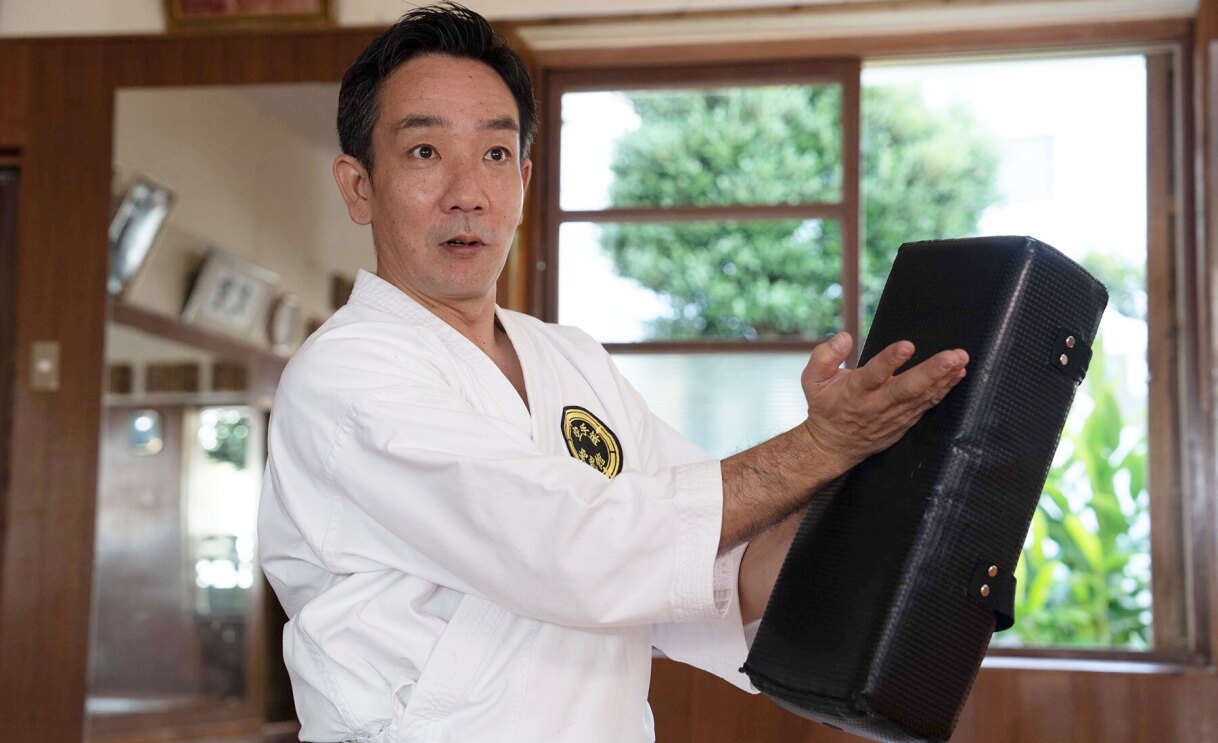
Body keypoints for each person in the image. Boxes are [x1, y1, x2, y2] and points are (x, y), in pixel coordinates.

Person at [257, 4, 969, 741]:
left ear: (526, 179)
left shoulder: (570, 360)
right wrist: (820, 446)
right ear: (358, 186)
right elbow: (583, 547)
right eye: (425, 152)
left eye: (496, 155)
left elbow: (712, 565)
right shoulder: (346, 376)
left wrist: (882, 461)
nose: (467, 191)